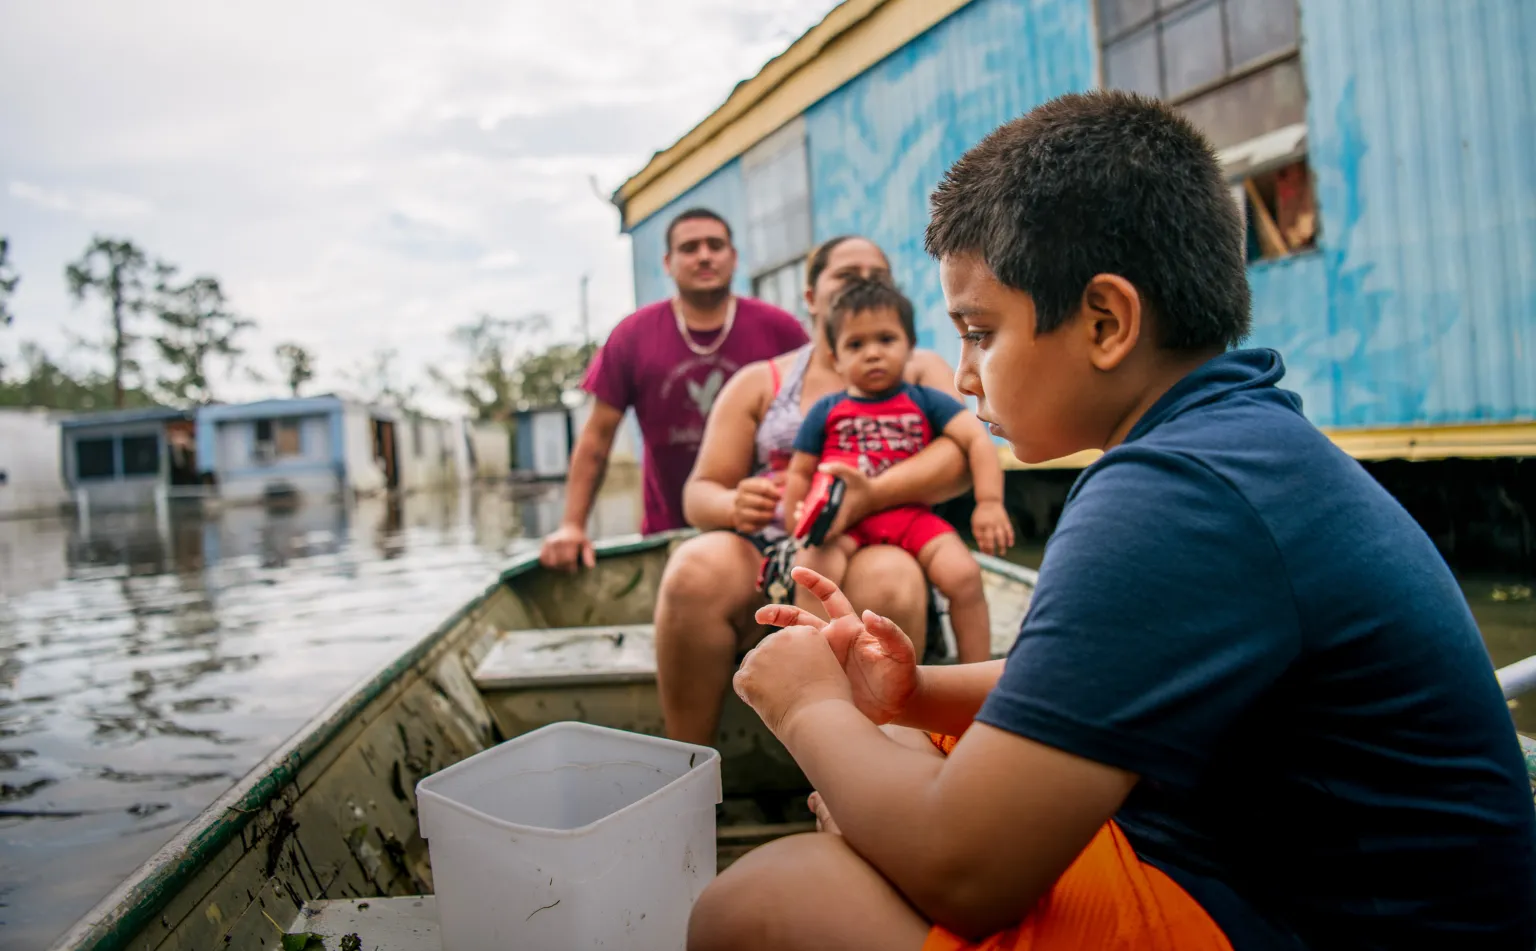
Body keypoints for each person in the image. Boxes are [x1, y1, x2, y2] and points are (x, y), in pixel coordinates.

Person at [689, 91, 1536, 951]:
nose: (965, 373)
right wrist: (909, 695)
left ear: (1106, 321)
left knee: (762, 899)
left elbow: (966, 873)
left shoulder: (1171, 494)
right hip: (1260, 876)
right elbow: (1093, 679)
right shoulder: (1233, 445)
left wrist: (805, 705)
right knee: (899, 757)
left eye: (980, 331)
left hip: (1299, 924)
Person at [654, 234, 1009, 746]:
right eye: (847, 276)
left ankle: (874, 770)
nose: (864, 286)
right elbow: (700, 491)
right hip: (781, 536)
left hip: (890, 536)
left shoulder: (920, 368)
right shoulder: (762, 380)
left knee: (891, 585)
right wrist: (734, 503)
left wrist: (870, 495)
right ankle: (689, 762)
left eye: (877, 277)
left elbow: (962, 454)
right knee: (691, 569)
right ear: (811, 297)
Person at [538, 207, 808, 570]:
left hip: (766, 529)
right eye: (690, 248)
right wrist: (571, 526)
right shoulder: (632, 336)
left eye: (715, 245)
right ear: (668, 262)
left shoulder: (780, 331)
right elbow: (596, 440)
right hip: (667, 533)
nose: (704, 256)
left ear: (734, 257)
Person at [783, 275, 1003, 665]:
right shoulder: (826, 410)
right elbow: (800, 472)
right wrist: (795, 520)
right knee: (812, 573)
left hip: (911, 516)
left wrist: (988, 503)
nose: (872, 353)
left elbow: (976, 441)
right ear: (835, 358)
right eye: (855, 344)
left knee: (965, 576)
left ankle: (976, 680)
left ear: (910, 347)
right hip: (845, 523)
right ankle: (809, 669)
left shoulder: (927, 401)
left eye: (885, 339)